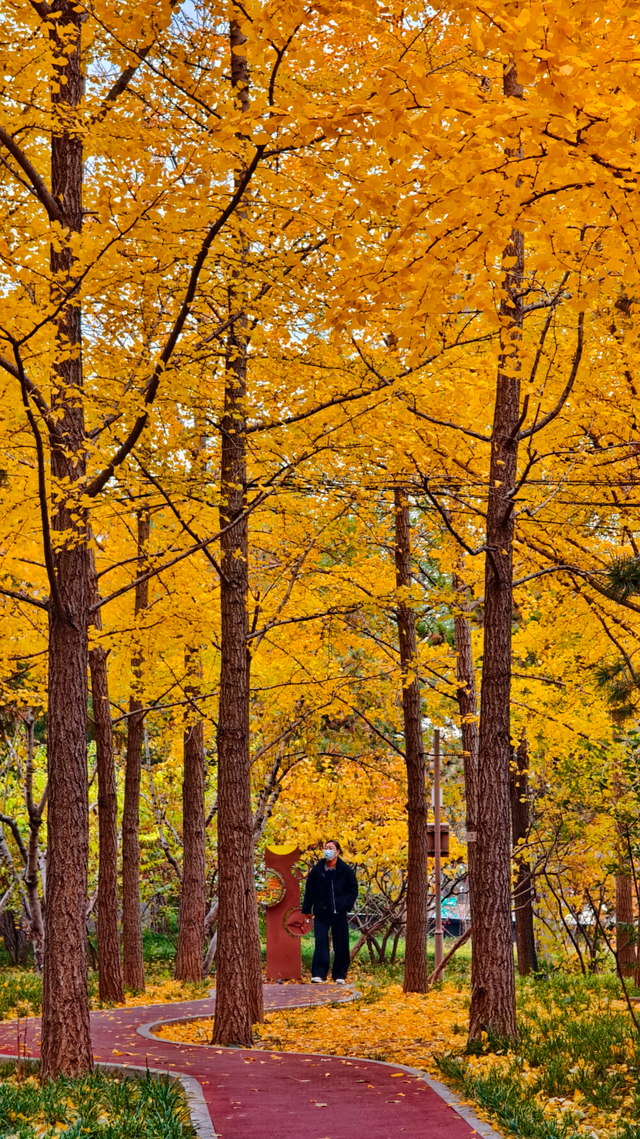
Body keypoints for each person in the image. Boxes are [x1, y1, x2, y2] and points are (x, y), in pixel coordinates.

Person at [301, 840, 358, 984]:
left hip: (338, 912)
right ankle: (318, 974)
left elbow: (353, 890)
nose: (327, 850)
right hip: (321, 911)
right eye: (326, 848)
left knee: (341, 943)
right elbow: (310, 891)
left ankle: (340, 975)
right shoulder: (317, 870)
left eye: (331, 848)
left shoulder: (345, 870)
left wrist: (343, 905)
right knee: (320, 941)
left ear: (338, 851)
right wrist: (307, 910)